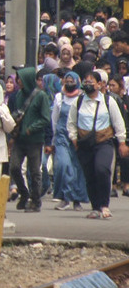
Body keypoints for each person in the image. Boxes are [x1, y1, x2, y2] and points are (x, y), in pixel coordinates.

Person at [67, 69, 128, 220]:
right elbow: (71, 123)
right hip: (84, 144)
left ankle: (104, 205)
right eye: (85, 82)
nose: (88, 85)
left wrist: (122, 142)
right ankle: (95, 207)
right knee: (90, 175)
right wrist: (74, 138)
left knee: (102, 170)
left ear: (100, 84)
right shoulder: (78, 102)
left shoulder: (108, 102)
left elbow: (118, 123)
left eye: (91, 82)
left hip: (104, 142)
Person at [10, 66, 50, 212]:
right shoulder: (18, 95)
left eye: (19, 78)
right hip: (20, 138)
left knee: (34, 171)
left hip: (34, 139)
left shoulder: (41, 96)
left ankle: (35, 200)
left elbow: (45, 118)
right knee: (14, 167)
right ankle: (24, 192)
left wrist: (31, 129)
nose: (18, 81)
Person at [49, 70, 88, 211]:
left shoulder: (82, 97)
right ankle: (64, 197)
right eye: (67, 80)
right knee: (64, 166)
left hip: (77, 137)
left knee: (77, 168)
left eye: (72, 81)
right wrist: (54, 140)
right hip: (61, 137)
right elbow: (54, 119)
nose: (70, 83)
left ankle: (76, 199)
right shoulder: (59, 97)